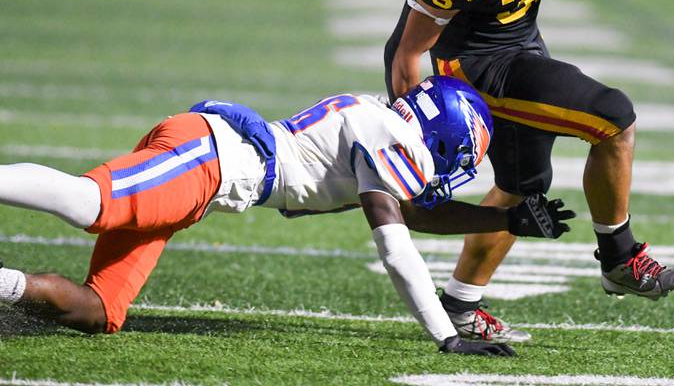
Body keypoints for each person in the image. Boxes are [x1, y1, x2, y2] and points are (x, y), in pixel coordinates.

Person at [0, 75, 575, 355]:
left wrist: (501, 221)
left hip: (210, 175)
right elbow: (397, 246)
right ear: (446, 138)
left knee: (101, 311)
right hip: (210, 158)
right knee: (91, 204)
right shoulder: (390, 136)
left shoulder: (384, 127)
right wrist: (447, 337)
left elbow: (412, 215)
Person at [384, 0, 674, 344]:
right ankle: (620, 257)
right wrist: (413, 137)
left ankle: (460, 306)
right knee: (614, 118)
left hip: (522, 39)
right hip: (475, 62)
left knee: (524, 186)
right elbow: (409, 52)